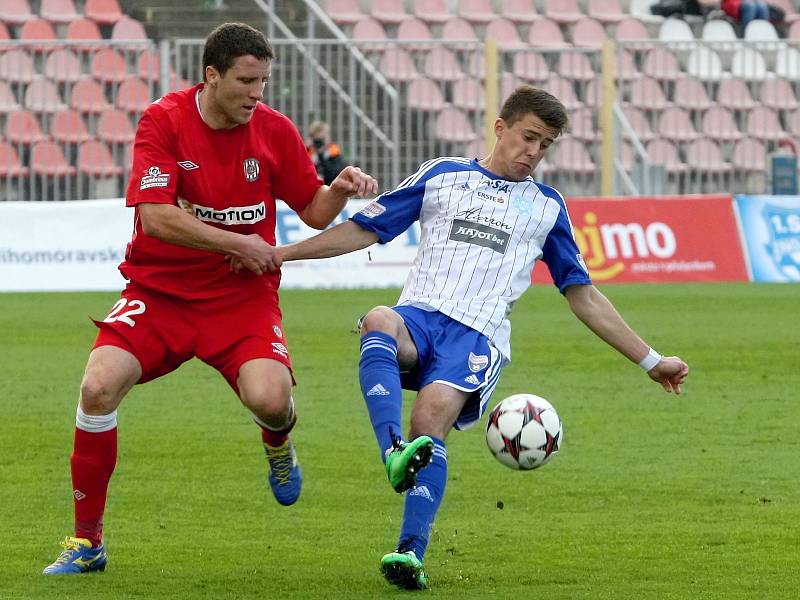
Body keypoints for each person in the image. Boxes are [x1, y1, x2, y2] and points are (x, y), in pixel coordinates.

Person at [270, 86, 690, 590]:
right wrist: (281, 255)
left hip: (476, 339)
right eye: (528, 137)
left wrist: (651, 360)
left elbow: (583, 295)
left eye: (546, 144)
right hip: (419, 318)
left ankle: (409, 554)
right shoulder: (443, 175)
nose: (534, 152)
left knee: (429, 418)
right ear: (500, 127)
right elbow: (364, 230)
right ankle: (392, 454)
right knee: (379, 317)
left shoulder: (547, 208)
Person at [42, 22, 377, 575]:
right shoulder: (164, 120)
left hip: (240, 298)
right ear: (211, 75)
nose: (257, 93)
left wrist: (337, 190)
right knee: (98, 387)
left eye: (264, 82)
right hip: (161, 291)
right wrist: (238, 240)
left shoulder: (273, 129)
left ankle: (277, 442)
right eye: (246, 81)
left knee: (271, 401)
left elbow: (312, 211)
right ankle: (87, 542)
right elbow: (156, 215)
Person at [307, 120, 348, 185]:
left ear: (328, 138)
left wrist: (321, 155)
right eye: (317, 140)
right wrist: (306, 148)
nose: (320, 142)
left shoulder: (334, 153)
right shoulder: (308, 154)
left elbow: (334, 175)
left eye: (322, 139)